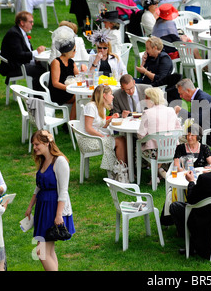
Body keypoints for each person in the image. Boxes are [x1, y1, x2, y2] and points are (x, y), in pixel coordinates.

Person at [25, 130, 75, 271]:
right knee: (49, 250)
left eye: (37, 144)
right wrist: (30, 207)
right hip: (42, 208)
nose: (34, 147)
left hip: (53, 208)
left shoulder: (59, 161)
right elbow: (38, 187)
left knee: (41, 251)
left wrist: (59, 215)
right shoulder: (43, 161)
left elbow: (63, 190)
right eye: (33, 144)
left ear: (47, 143)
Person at [81, 84, 127, 176]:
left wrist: (110, 119)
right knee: (120, 141)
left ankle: (121, 169)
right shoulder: (91, 106)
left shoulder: (101, 107)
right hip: (88, 140)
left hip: (95, 137)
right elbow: (88, 128)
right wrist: (102, 136)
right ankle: (122, 172)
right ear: (104, 96)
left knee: (122, 138)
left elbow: (102, 125)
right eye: (111, 94)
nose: (113, 96)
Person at [0, 11, 47, 92]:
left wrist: (36, 58)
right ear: (22, 22)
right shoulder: (14, 34)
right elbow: (19, 55)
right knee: (42, 71)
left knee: (46, 66)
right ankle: (36, 96)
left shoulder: (20, 32)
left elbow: (25, 51)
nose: (32, 24)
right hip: (15, 67)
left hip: (20, 63)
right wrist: (36, 52)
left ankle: (39, 95)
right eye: (30, 22)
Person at [174, 78, 211, 149]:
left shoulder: (203, 99)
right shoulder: (199, 96)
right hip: (208, 131)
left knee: (176, 139)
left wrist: (181, 111)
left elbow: (197, 119)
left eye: (181, 94)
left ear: (188, 91)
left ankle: (188, 159)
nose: (180, 97)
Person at [48, 33, 80, 120]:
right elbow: (55, 83)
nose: (75, 52)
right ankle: (71, 123)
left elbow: (79, 76)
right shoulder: (56, 62)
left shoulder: (71, 62)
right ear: (68, 51)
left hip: (69, 90)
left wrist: (84, 72)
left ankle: (80, 121)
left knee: (85, 96)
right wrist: (69, 88)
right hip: (58, 92)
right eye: (74, 50)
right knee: (79, 97)